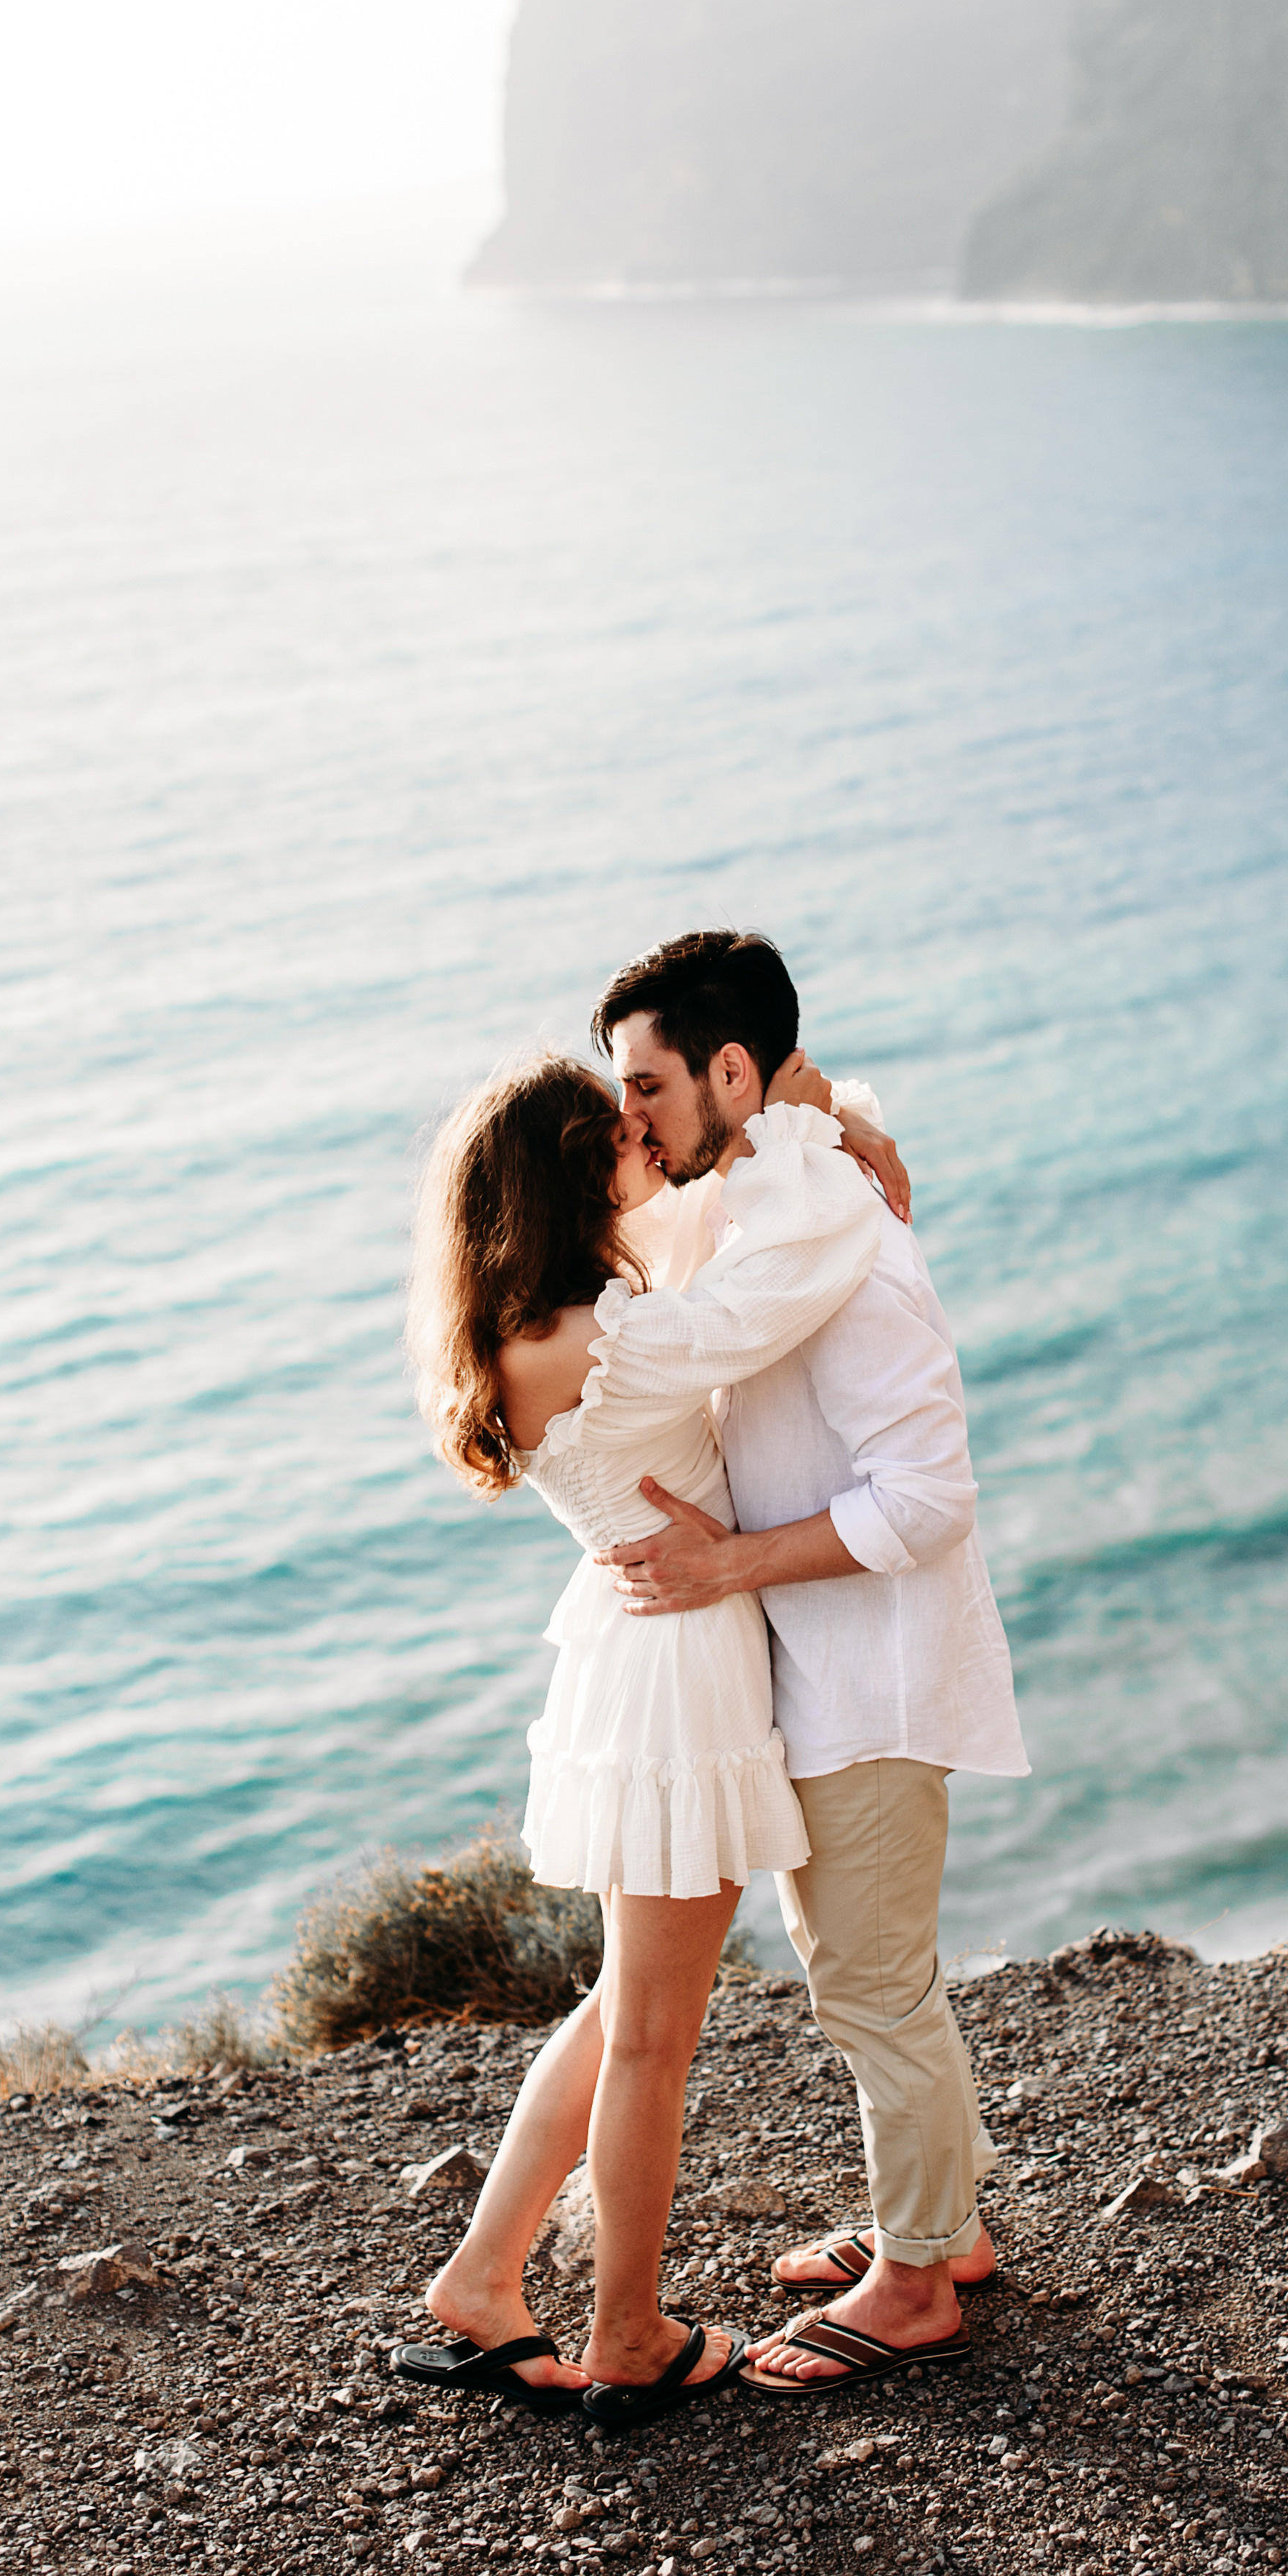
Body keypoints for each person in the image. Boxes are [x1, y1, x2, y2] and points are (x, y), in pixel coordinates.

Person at [395, 1041, 891, 2431]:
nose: (645, 1135)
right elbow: (790, 1275)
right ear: (575, 1173)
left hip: (640, 1656)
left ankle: (486, 2282)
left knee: (625, 2008)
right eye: (620, 1127)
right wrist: (831, 1143)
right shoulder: (613, 1339)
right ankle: (627, 2330)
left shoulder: (538, 1319)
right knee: (655, 2035)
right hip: (676, 1672)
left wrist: (828, 1114)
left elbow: (703, 1209)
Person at [592, 930, 1030, 2399]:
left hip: (873, 1677)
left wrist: (726, 1564)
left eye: (645, 1085)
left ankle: (916, 2279)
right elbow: (812, 1105)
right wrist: (838, 1109)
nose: (628, 1119)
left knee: (869, 1989)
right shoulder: (778, 1184)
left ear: (725, 1070)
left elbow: (926, 1497)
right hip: (817, 1665)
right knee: (862, 1971)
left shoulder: (832, 1231)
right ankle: (935, 2223)